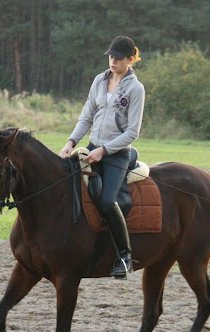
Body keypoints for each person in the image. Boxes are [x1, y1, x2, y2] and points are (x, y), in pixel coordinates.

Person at [60, 35, 145, 280]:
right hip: (92, 147)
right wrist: (71, 142)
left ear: (130, 59)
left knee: (107, 202)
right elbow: (86, 116)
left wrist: (104, 150)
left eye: (118, 58)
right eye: (111, 57)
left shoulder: (136, 89)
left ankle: (124, 257)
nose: (113, 61)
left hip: (117, 155)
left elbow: (132, 132)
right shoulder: (99, 80)